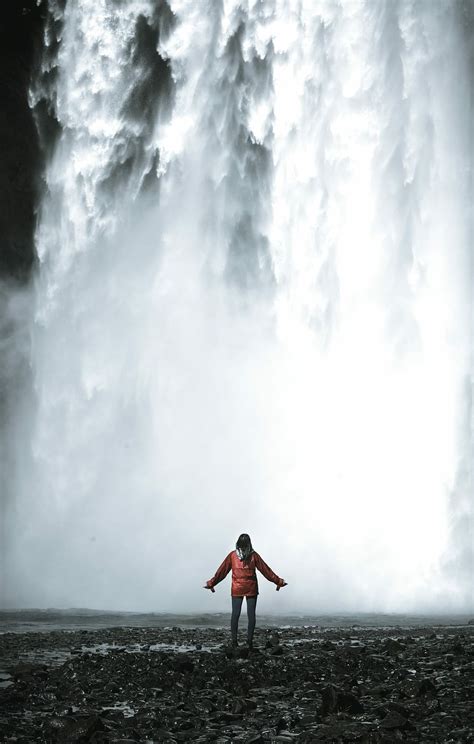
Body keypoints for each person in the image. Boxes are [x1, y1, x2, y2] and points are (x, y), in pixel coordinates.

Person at [204, 533, 288, 649]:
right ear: (249, 543)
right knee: (251, 615)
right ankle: (249, 642)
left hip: (237, 588)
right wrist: (278, 581)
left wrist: (211, 583)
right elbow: (266, 571)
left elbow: (222, 572)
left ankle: (234, 642)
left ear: (238, 543)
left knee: (235, 615)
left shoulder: (233, 556)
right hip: (251, 588)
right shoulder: (254, 556)